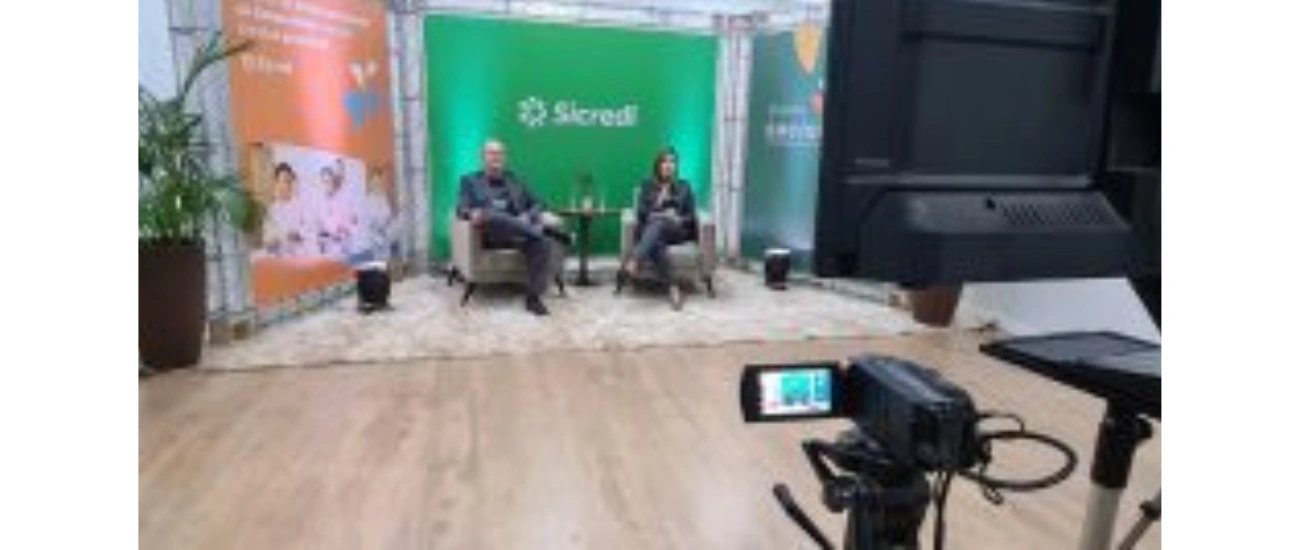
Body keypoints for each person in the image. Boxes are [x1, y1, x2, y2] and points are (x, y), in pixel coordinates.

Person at [457, 139, 568, 315]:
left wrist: (527, 216)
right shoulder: (469, 180)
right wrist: (471, 214)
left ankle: (533, 298)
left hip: (519, 235)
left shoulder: (516, 180)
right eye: (491, 153)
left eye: (500, 153)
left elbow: (539, 203)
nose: (496, 156)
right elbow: (461, 208)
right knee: (490, 215)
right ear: (483, 157)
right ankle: (540, 231)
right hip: (491, 235)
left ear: (505, 157)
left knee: (542, 243)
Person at [619, 147, 698, 310]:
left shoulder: (684, 186)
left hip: (676, 230)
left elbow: (691, 215)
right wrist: (658, 203)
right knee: (657, 235)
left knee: (659, 224)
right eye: (664, 161)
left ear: (676, 166)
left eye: (672, 162)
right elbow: (641, 213)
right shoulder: (647, 185)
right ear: (658, 165)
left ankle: (634, 261)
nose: (668, 165)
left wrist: (678, 218)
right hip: (653, 230)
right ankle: (673, 288)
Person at [262, 163, 313, 257]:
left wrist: (298, 233)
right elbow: (267, 240)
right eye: (284, 181)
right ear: (277, 183)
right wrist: (272, 241)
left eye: (289, 181)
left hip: (300, 256)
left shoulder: (301, 206)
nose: (287, 185)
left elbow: (311, 231)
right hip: (279, 257)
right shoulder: (272, 210)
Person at [317, 165, 360, 261]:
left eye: (328, 181)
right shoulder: (319, 202)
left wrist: (344, 231)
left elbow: (352, 221)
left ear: (333, 181)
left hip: (343, 247)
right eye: (324, 182)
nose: (326, 185)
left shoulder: (343, 199)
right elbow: (320, 227)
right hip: (327, 248)